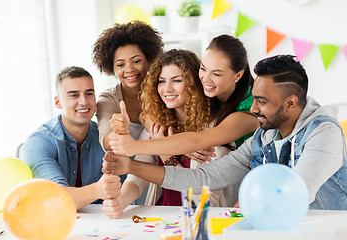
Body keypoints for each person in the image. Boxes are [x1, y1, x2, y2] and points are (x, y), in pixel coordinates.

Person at [104, 55, 347, 210]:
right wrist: (131, 167)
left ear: (291, 103)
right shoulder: (262, 138)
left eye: (261, 101)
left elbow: (296, 193)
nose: (253, 108)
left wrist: (242, 206)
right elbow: (202, 179)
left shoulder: (323, 132)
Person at [103, 49, 232, 218]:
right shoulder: (157, 125)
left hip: (196, 223)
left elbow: (204, 202)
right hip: (161, 216)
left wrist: (167, 156)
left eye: (177, 80)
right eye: (161, 81)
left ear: (195, 83)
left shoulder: (215, 131)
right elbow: (138, 177)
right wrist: (121, 202)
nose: (167, 89)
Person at [108, 34, 259, 163]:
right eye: (203, 68)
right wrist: (177, 142)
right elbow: (146, 115)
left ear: (238, 75)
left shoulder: (251, 111)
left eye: (217, 74)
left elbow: (198, 140)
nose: (205, 79)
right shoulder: (208, 92)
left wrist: (133, 146)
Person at [21, 66, 121, 210]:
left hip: (104, 223)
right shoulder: (37, 143)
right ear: (58, 102)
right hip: (51, 224)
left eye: (89, 93)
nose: (84, 102)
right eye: (74, 95)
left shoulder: (106, 137)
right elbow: (56, 198)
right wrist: (98, 189)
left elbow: (122, 192)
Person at [92, 21, 164, 152]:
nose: (129, 69)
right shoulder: (108, 99)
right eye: (120, 65)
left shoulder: (163, 88)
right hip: (126, 169)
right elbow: (105, 141)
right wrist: (118, 132)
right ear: (111, 67)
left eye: (136, 61)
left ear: (148, 60)